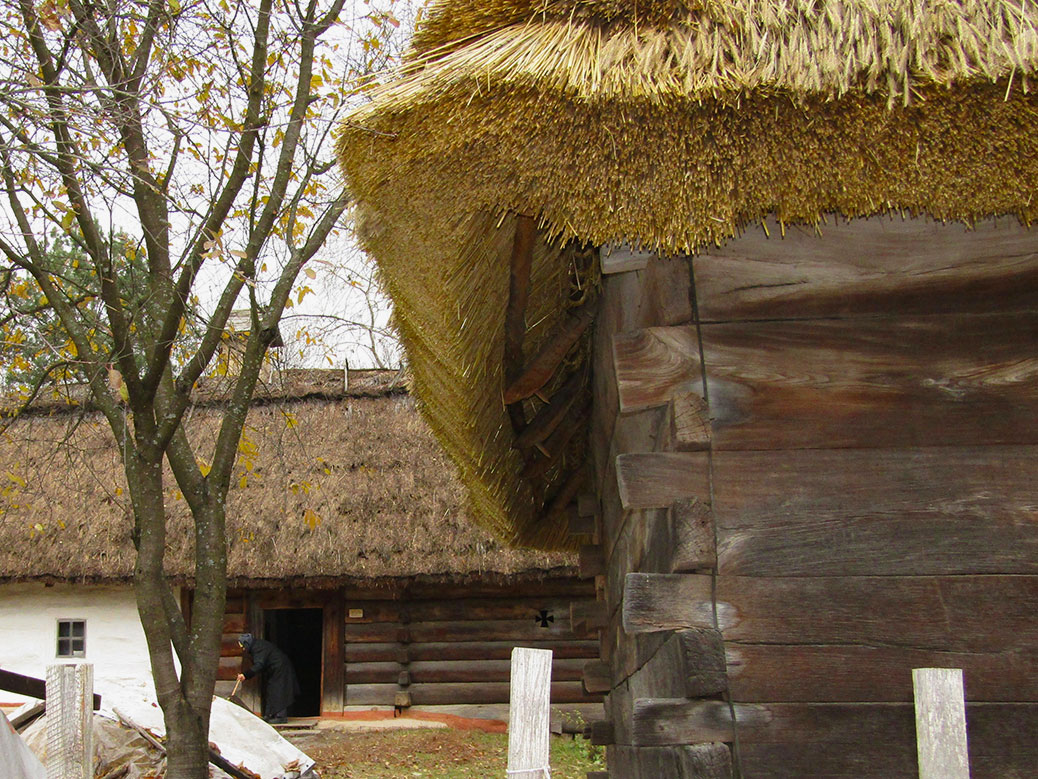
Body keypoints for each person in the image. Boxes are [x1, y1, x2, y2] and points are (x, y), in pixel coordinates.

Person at [236, 633, 301, 724]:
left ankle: (280, 716)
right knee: (272, 689)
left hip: (280, 668)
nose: (243, 649)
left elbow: (259, 664)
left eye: (243, 646)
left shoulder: (258, 648)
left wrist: (246, 675)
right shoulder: (257, 646)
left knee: (279, 690)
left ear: (247, 643)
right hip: (276, 669)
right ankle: (270, 714)